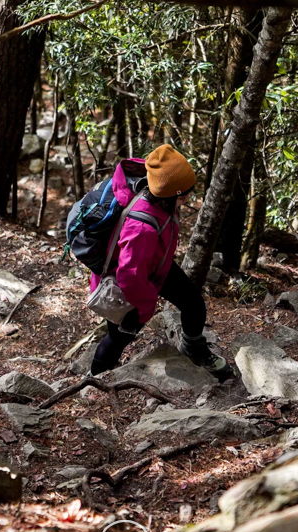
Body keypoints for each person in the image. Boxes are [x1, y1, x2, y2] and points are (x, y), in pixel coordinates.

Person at [89, 144, 230, 380]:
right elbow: (129, 275)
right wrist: (144, 309)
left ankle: (193, 346)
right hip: (122, 284)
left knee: (193, 303)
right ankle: (96, 380)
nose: (188, 197)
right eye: (186, 193)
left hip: (154, 266)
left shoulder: (158, 196)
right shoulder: (142, 227)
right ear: (172, 193)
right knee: (120, 335)